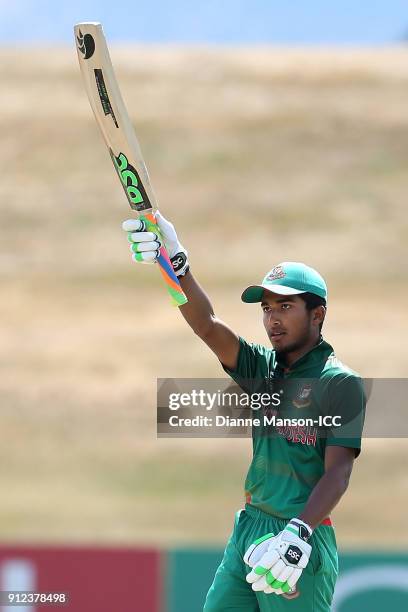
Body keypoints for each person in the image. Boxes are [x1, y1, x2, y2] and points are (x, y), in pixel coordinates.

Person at [122, 212, 366, 612]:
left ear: (317, 315)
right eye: (267, 308)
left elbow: (339, 471)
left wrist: (297, 533)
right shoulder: (261, 368)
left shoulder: (339, 383)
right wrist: (175, 264)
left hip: (299, 537)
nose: (272, 318)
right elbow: (206, 325)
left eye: (285, 306)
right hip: (249, 529)